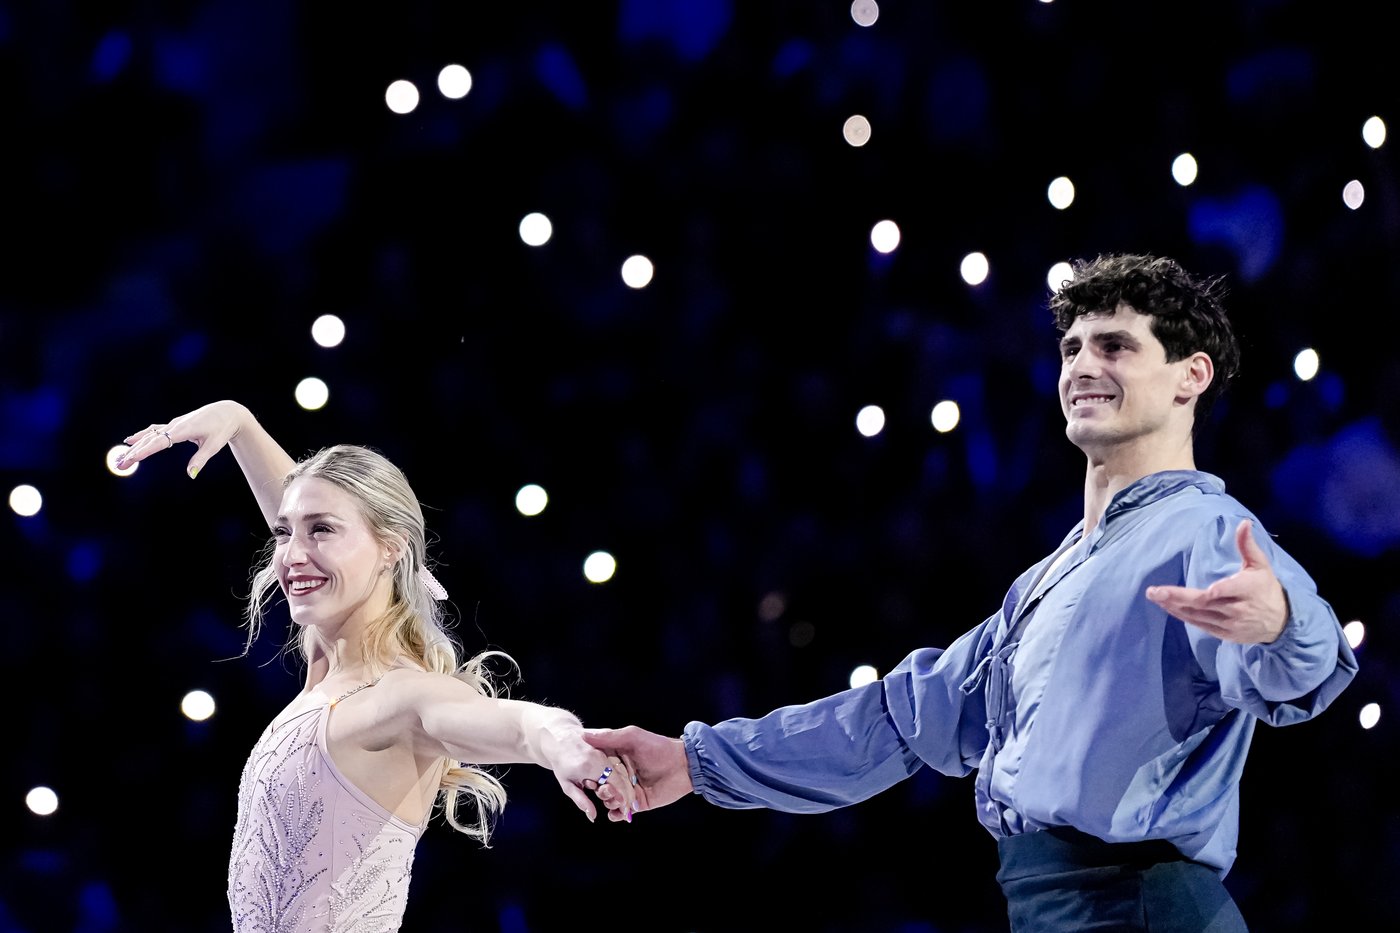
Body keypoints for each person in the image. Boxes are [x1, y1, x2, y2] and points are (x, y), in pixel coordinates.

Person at [584, 253, 1359, 931]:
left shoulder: (1204, 528)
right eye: (1072, 347)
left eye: (1115, 346)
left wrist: (1281, 622)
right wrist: (695, 760)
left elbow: (1307, 662)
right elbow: (893, 720)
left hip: (1143, 909)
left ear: (1192, 374)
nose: (1082, 366)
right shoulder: (1045, 580)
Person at [114, 400, 638, 933]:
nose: (291, 555)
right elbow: (311, 520)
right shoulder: (327, 665)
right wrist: (239, 424)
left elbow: (523, 725)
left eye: (321, 530)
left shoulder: (397, 697)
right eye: (282, 533)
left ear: (390, 549)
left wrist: (565, 745)